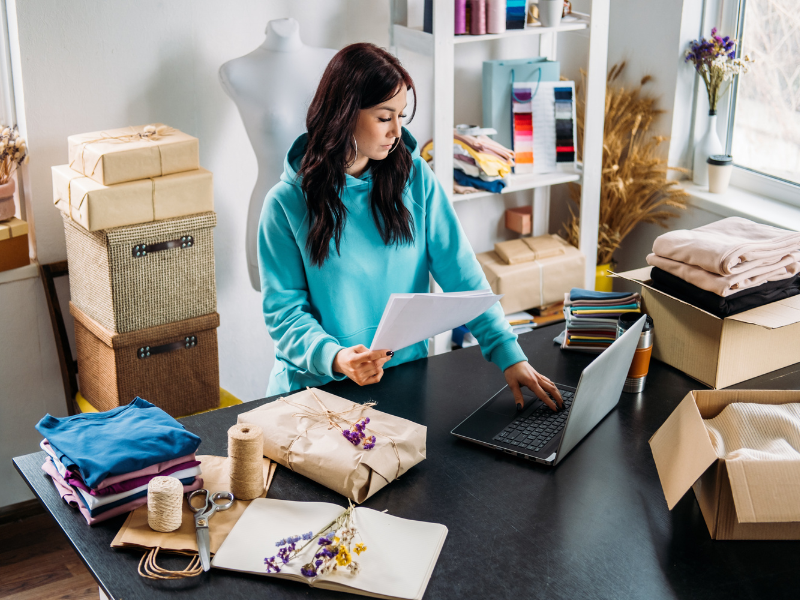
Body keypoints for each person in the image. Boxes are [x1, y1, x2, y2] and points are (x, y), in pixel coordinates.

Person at [258, 43, 562, 411]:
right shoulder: (284, 204)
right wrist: (337, 358)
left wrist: (509, 355)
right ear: (344, 114)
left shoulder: (416, 179)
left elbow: (462, 275)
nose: (397, 131)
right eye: (385, 117)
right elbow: (285, 314)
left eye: (402, 116)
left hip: (404, 379)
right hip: (316, 390)